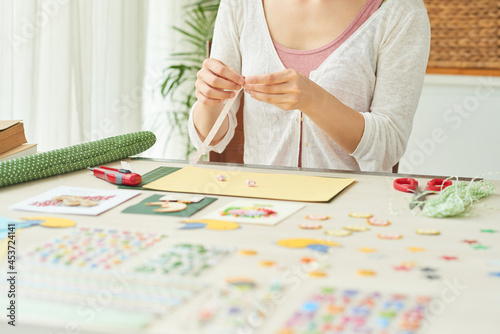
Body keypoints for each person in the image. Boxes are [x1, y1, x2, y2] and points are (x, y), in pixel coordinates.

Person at [188, 0, 430, 172]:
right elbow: (210, 141)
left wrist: (313, 100)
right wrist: (210, 98)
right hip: (262, 205)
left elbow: (388, 148)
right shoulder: (240, 5)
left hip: (354, 214)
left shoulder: (400, 11)